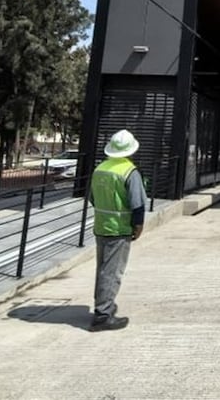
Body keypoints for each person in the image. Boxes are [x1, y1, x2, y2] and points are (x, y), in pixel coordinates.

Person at [89, 129, 147, 331]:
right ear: (131, 150)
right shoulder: (130, 172)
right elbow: (137, 204)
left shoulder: (100, 169)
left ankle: (103, 305)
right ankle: (103, 315)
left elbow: (92, 198)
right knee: (112, 272)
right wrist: (138, 226)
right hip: (120, 228)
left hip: (101, 226)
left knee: (102, 268)